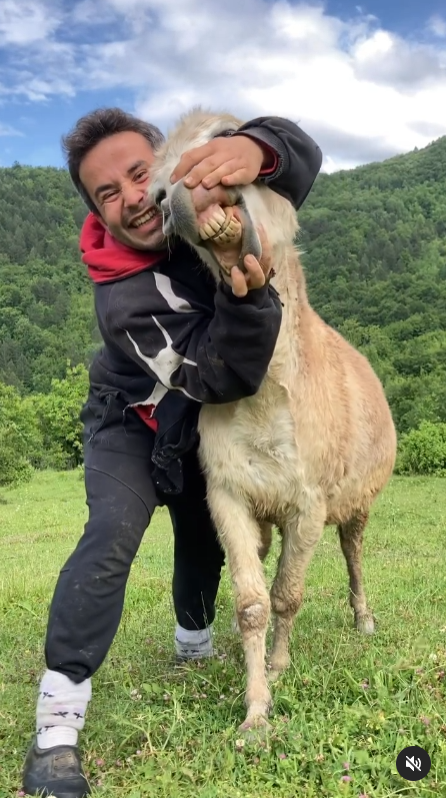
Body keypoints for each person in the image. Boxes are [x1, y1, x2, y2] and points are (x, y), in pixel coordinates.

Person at [22, 106, 322, 797]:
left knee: (203, 535)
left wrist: (257, 149)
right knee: (112, 533)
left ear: (164, 165)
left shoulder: (191, 210)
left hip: (198, 424)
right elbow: (217, 375)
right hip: (131, 421)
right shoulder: (124, 299)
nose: (132, 197)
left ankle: (193, 642)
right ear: (96, 213)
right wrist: (249, 298)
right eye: (107, 193)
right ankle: (57, 724)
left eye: (139, 174)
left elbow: (297, 165)